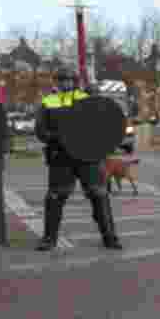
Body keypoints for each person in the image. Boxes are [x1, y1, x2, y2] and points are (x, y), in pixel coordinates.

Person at [34, 68, 122, 251]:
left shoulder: (86, 98)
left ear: (75, 82)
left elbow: (100, 123)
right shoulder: (47, 102)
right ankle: (49, 238)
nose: (65, 84)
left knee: (99, 194)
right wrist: (57, 137)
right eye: (62, 80)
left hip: (87, 155)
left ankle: (110, 237)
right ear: (56, 83)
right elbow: (41, 131)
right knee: (55, 196)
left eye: (69, 80)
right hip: (60, 156)